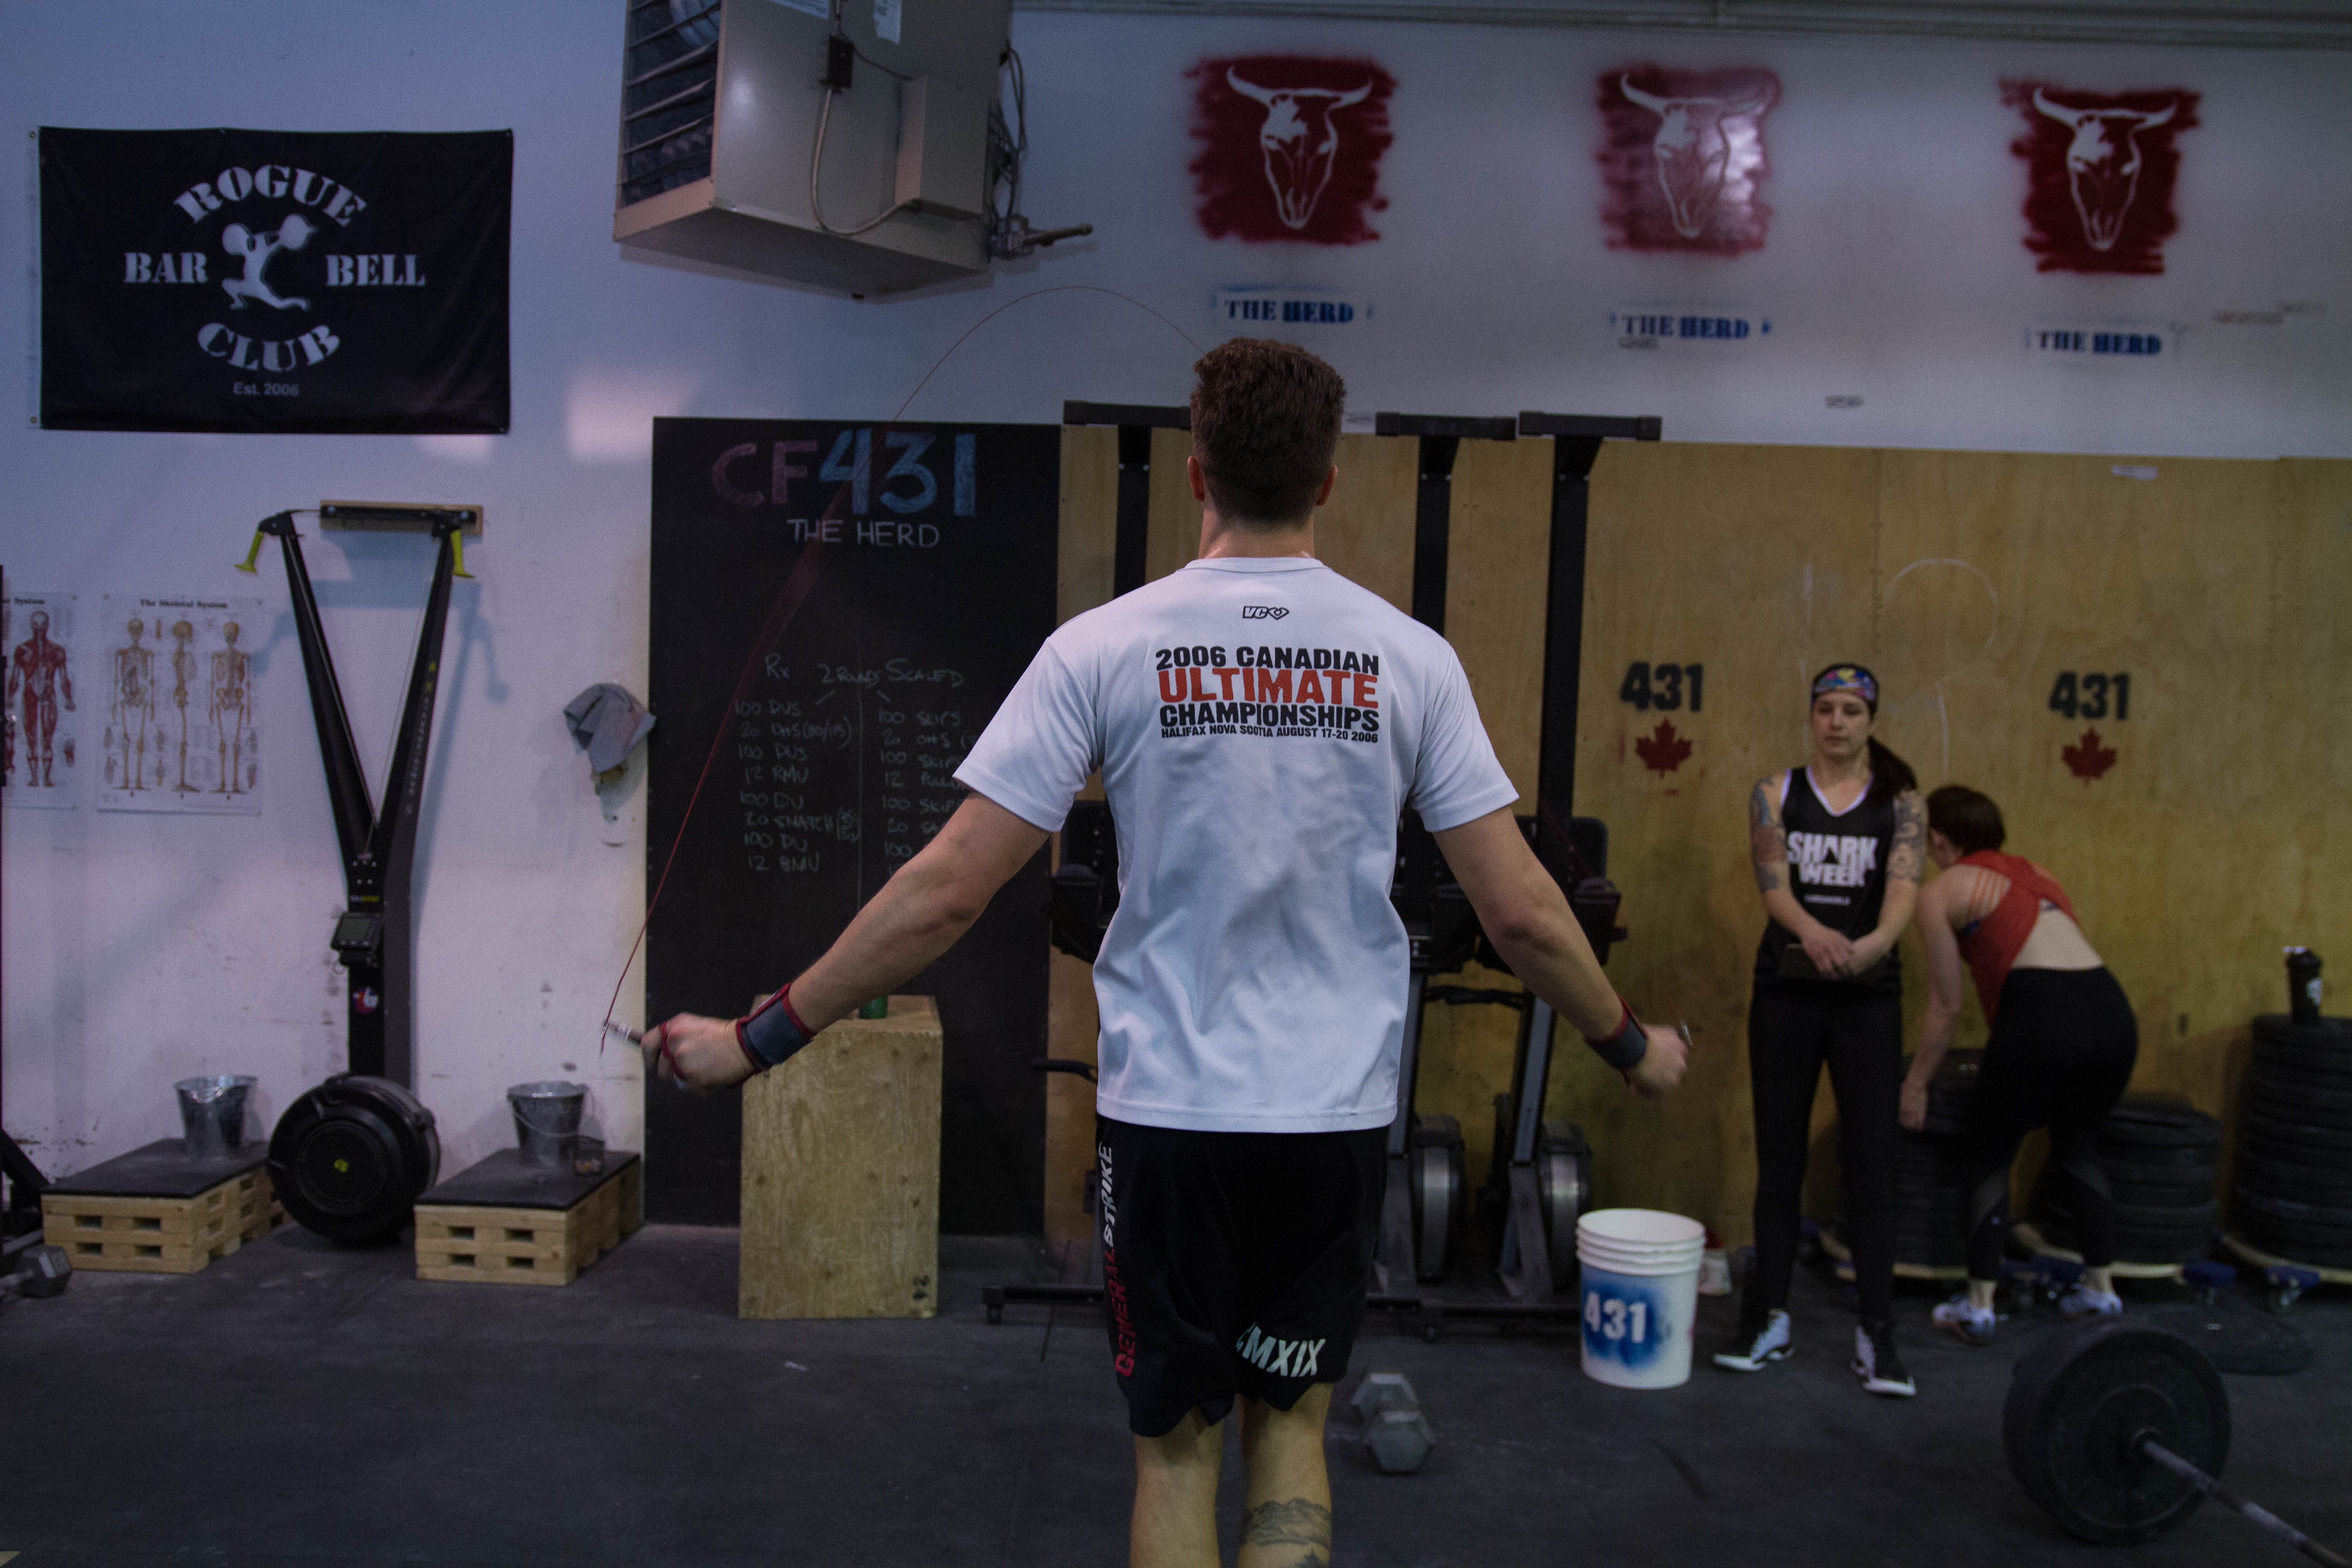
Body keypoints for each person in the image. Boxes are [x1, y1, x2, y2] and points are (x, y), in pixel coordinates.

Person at [646, 339, 1689, 1568]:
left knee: (1178, 1455)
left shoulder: (1102, 646)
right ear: (1326, 480)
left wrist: (760, 1036)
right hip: (1331, 1122)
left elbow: (944, 893)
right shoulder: (1410, 658)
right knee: (1289, 1436)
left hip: (1171, 1124)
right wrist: (1633, 1046)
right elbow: (1521, 916)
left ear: (1196, 472)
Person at [1713, 663, 1924, 1397]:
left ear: (1871, 721)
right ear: (1811, 717)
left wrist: (1875, 944)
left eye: (1850, 711)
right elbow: (1773, 887)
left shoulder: (1901, 802)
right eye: (1825, 709)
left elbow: (1903, 887)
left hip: (1867, 998)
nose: (1836, 722)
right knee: (1779, 1164)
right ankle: (1766, 1317)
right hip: (1788, 993)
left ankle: (1877, 1334)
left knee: (1871, 1166)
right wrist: (1814, 933)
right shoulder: (1774, 792)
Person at [1905, 785, 2138, 1343]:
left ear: (1937, 839)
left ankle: (1979, 1305)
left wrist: (1915, 1084)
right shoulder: (2040, 872)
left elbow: (1946, 1007)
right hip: (2111, 1014)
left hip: (2042, 1016)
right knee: (2078, 1145)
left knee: (1991, 1156)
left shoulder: (1940, 892)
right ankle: (2101, 1290)